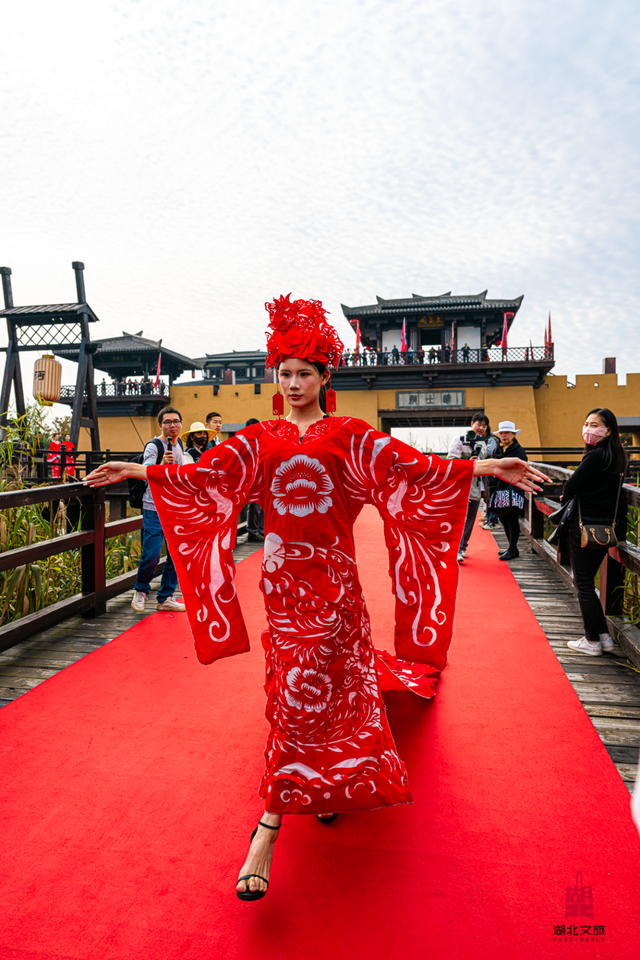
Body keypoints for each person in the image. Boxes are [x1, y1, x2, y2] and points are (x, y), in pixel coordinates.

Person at [85, 294, 545, 902]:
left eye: (305, 373)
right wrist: (136, 470)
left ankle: (296, 808)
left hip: (336, 586)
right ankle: (277, 818)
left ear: (326, 377)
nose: (294, 383)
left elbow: (410, 469)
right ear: (276, 377)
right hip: (284, 589)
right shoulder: (259, 439)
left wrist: (486, 471)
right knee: (297, 693)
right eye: (286, 373)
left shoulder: (350, 435)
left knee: (339, 686)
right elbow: (207, 478)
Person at [562, 408, 627, 656]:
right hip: (604, 528)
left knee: (584, 584)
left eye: (595, 424)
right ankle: (604, 638)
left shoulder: (594, 457)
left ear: (608, 430)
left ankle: (591, 641)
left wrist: (566, 490)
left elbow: (570, 487)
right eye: (586, 423)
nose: (588, 429)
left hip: (582, 527)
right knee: (589, 581)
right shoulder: (618, 457)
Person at [129, 406, 192, 614]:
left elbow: (180, 474)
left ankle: (165, 597)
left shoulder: (180, 443)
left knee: (175, 554)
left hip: (174, 506)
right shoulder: (154, 446)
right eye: (167, 422)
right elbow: (145, 472)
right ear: (160, 425)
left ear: (181, 424)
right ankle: (141, 590)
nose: (172, 425)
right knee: (152, 554)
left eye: (175, 421)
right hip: (153, 507)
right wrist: (161, 465)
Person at [448, 414, 499, 562]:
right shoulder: (460, 440)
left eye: (484, 426)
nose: (481, 428)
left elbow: (484, 463)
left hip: (476, 486)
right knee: (459, 518)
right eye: (479, 424)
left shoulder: (483, 443)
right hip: (461, 486)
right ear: (472, 424)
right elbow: (450, 461)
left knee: (470, 519)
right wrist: (466, 463)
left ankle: (463, 547)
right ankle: (456, 549)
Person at [489, 420, 528, 561]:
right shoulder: (497, 450)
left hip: (513, 488)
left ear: (513, 434)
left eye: (507, 433)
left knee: (512, 518)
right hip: (498, 488)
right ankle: (512, 547)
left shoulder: (518, 450)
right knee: (502, 517)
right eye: (502, 433)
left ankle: (512, 548)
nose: (504, 435)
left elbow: (522, 468)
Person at [245, 418, 265, 542]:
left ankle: (261, 530)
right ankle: (252, 531)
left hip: (261, 475)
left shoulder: (261, 440)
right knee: (253, 505)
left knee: (262, 504)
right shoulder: (245, 442)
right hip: (250, 477)